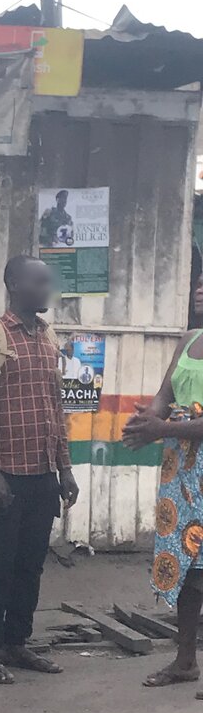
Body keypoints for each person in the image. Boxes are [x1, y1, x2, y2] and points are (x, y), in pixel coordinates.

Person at [0, 255, 79, 685]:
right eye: (40, 281)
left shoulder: (48, 339)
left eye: (48, 281)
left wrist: (65, 469)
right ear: (14, 284)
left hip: (43, 473)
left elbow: (55, 408)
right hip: (4, 475)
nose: (48, 289)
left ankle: (17, 642)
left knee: (31, 564)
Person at [123, 275, 203, 689]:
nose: (199, 292)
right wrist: (148, 420)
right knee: (188, 568)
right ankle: (185, 661)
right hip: (182, 471)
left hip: (193, 457)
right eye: (199, 285)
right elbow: (164, 394)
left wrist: (162, 427)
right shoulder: (189, 340)